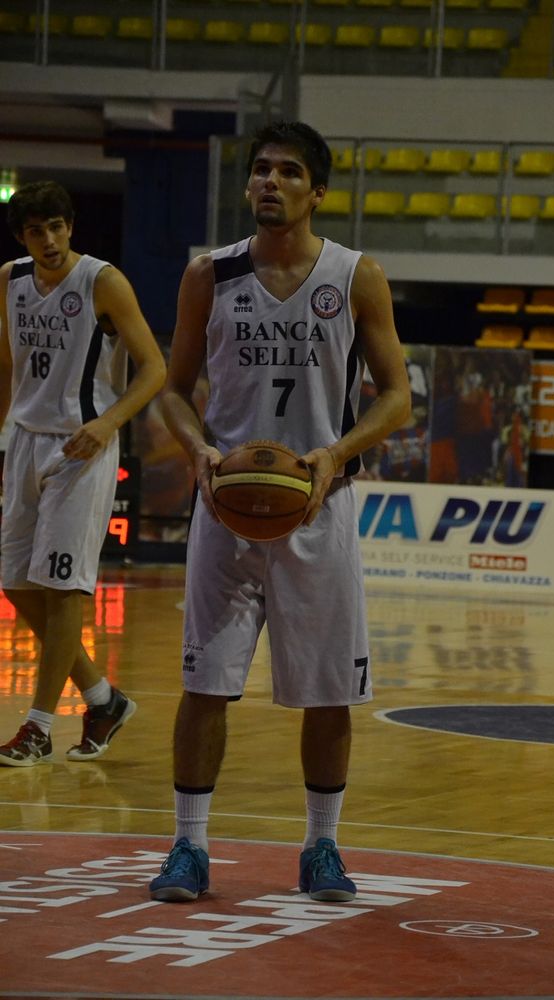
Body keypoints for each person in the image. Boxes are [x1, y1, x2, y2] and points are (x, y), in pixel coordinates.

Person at [149, 121, 411, 903]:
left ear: (317, 192)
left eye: (287, 172)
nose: (268, 182)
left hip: (317, 508)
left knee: (329, 693)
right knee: (204, 684)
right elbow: (171, 385)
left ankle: (321, 848)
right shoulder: (209, 275)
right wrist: (196, 449)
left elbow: (397, 396)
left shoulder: (355, 275)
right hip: (226, 508)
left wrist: (335, 453)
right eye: (259, 170)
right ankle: (188, 849)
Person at [0, 180, 166, 766]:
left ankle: (40, 726)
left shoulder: (103, 281)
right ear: (22, 236)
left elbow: (153, 368)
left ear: (71, 227)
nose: (49, 240)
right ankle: (102, 698)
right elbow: (5, 364)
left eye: (57, 227)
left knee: (63, 589)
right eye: (36, 230)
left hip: (82, 448)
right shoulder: (10, 280)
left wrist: (108, 424)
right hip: (23, 442)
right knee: (16, 585)